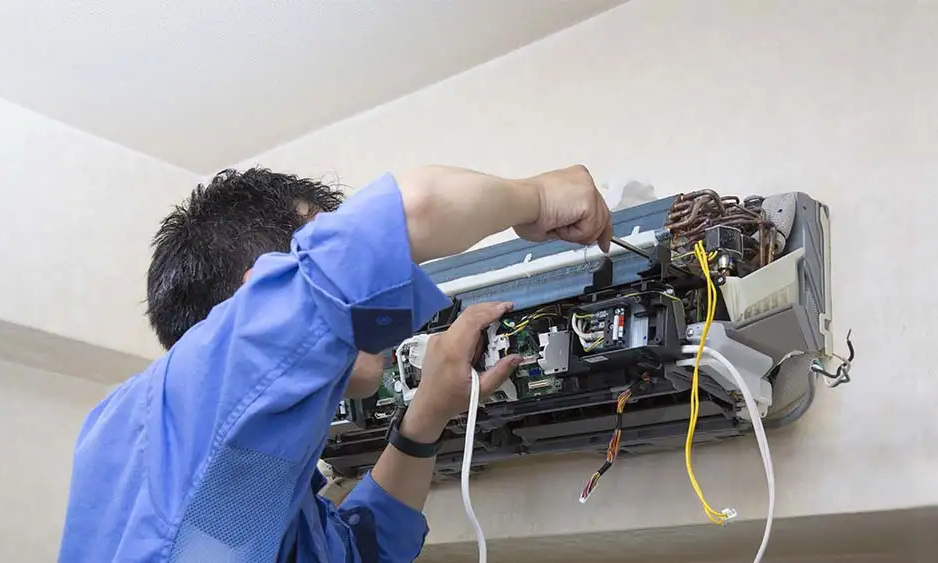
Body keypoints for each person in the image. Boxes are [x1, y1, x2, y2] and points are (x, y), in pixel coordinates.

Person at [58, 165, 613, 562]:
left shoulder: (199, 465)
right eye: (320, 241)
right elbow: (409, 211)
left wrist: (428, 413)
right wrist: (538, 197)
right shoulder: (188, 402)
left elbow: (358, 549)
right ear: (262, 292)